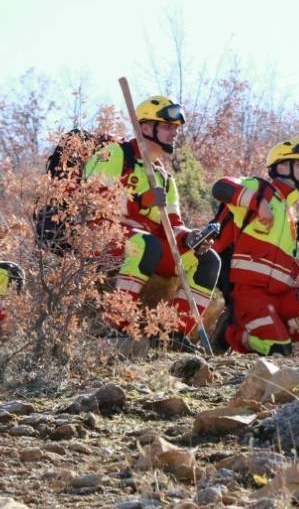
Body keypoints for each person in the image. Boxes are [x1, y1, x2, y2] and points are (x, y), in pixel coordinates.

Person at [83, 96, 220, 342]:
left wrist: (191, 238)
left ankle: (174, 334)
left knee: (208, 260)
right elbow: (91, 204)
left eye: (176, 128)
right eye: (168, 126)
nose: (174, 133)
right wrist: (140, 202)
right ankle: (116, 324)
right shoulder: (115, 154)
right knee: (147, 244)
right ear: (145, 127)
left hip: (147, 245)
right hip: (100, 239)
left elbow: (173, 226)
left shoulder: (165, 179)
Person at [211, 139, 299, 356]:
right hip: (248, 296)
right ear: (281, 167)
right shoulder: (261, 189)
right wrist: (257, 202)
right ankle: (232, 334)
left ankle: (273, 330)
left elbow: (286, 273)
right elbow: (221, 186)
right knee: (278, 350)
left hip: (279, 297)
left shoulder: (292, 217)